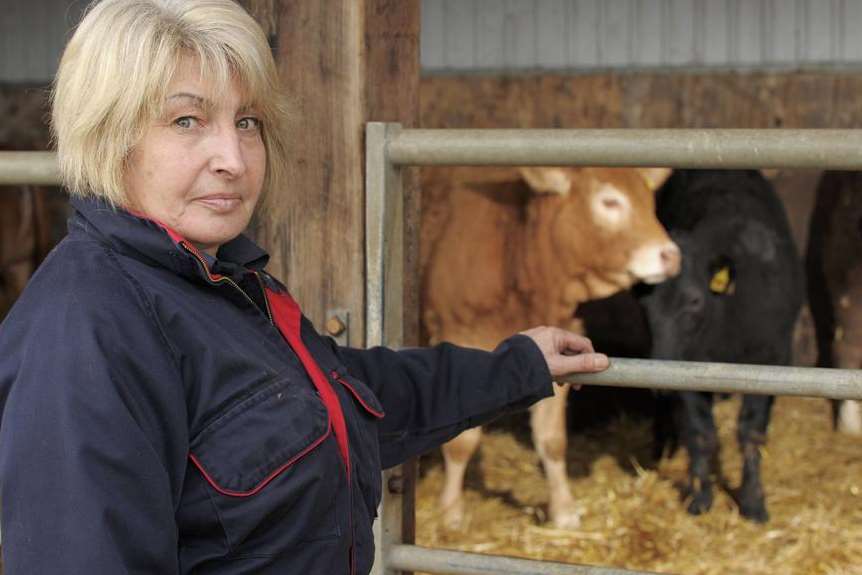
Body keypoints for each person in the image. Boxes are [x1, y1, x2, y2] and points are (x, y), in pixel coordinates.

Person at [0, 0, 609, 573]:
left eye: (247, 121)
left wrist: (518, 365)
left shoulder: (221, 284)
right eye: (186, 120)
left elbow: (339, 402)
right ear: (110, 136)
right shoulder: (85, 333)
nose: (233, 158)